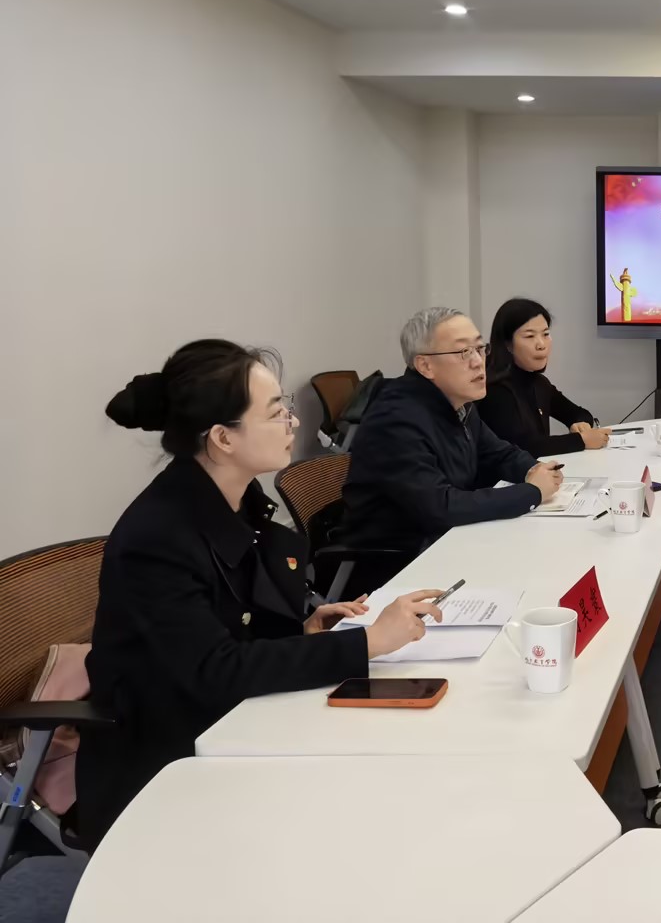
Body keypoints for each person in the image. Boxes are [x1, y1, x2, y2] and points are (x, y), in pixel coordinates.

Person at [79, 340, 443, 846]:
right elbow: (214, 672)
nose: (294, 421)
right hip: (169, 754)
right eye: (276, 413)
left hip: (239, 719)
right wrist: (366, 643)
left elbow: (233, 628)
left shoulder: (239, 501)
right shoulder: (158, 537)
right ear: (224, 438)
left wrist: (303, 631)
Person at [336, 308, 564, 569]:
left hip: (448, 540)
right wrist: (532, 492)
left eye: (480, 348)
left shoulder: (457, 401)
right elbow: (441, 508)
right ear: (425, 366)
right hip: (399, 560)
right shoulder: (396, 419)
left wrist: (534, 469)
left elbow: (498, 453)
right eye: (463, 352)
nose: (478, 362)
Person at [475, 298, 610, 457]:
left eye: (546, 334)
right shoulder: (493, 389)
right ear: (507, 344)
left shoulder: (538, 382)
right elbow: (521, 447)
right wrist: (580, 440)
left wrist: (581, 424)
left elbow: (577, 412)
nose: (541, 344)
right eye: (529, 336)